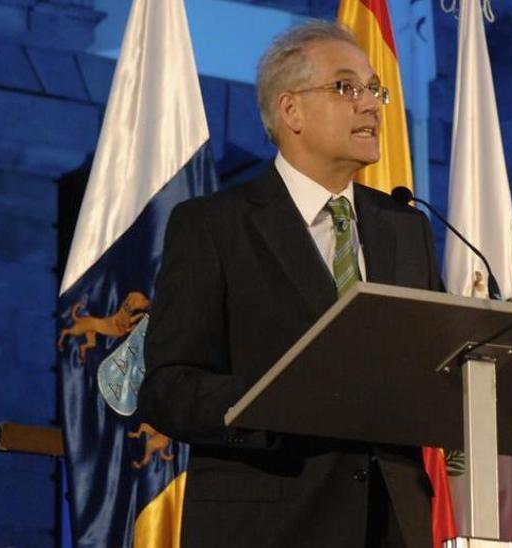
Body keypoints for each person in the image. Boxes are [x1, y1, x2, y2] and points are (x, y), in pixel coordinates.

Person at [138, 21, 442, 548]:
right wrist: (277, 398)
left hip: (394, 523)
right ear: (291, 110)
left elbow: (428, 366)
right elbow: (170, 388)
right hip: (271, 524)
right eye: (347, 87)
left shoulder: (405, 225)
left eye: (376, 89)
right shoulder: (215, 225)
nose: (371, 105)